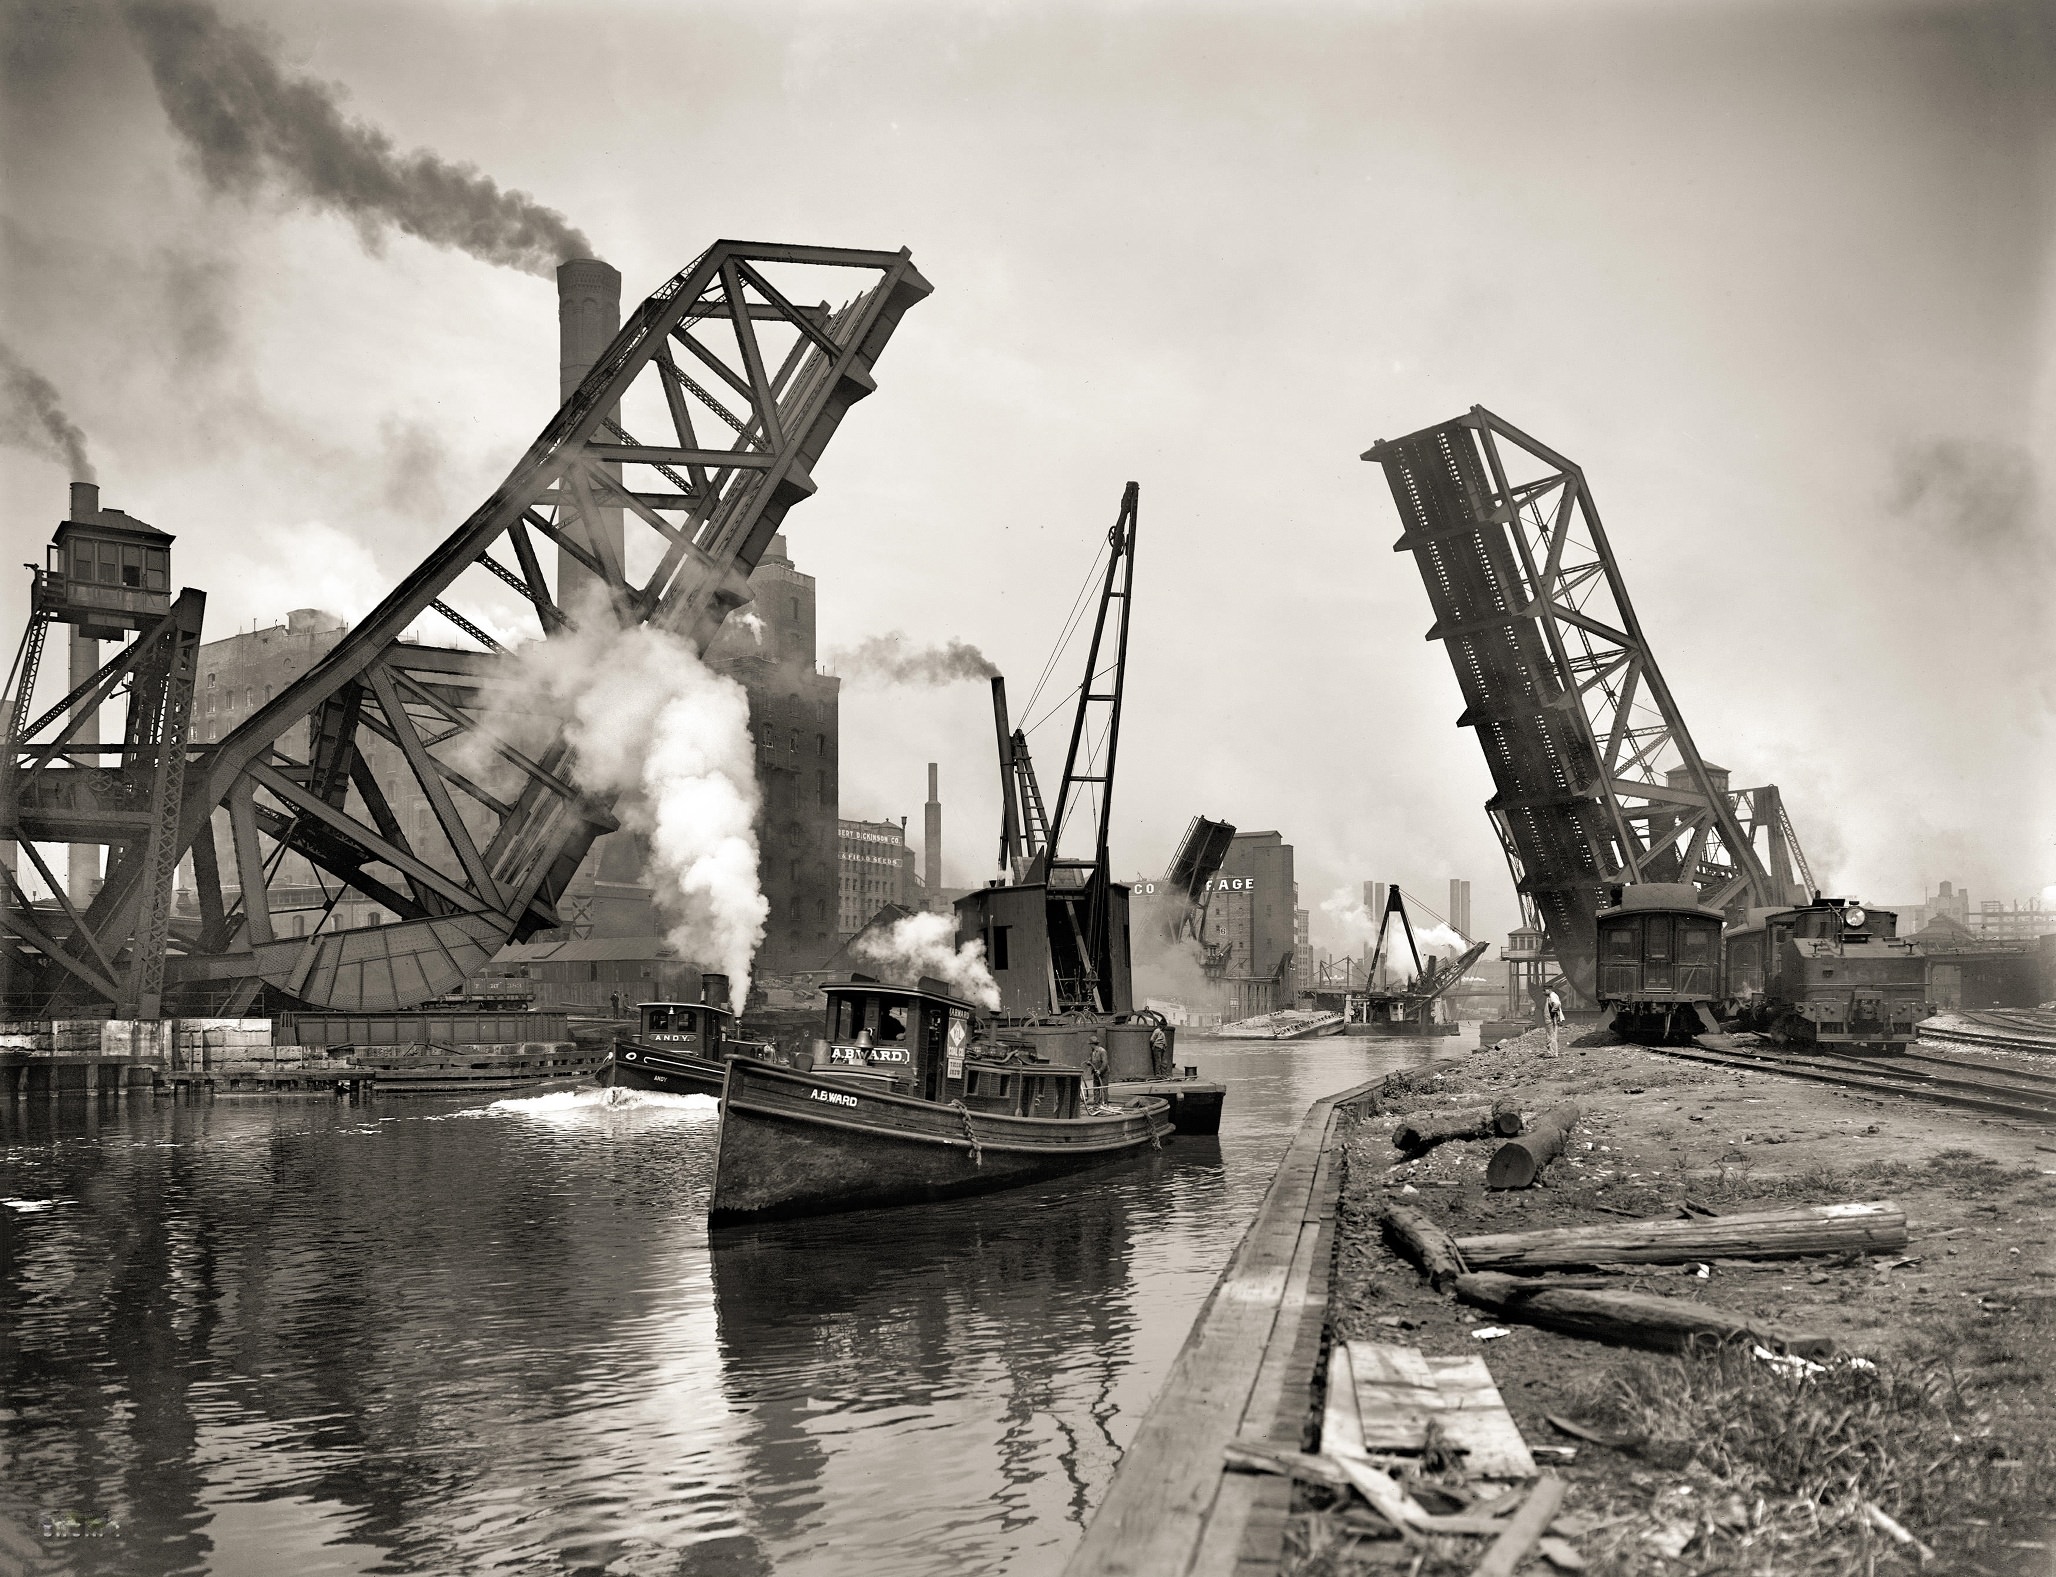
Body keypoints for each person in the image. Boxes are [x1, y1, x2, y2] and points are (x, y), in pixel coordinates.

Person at [1544, 986, 1565, 1052]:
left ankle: (1553, 1052)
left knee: (1552, 1036)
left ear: (1549, 989)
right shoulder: (1550, 996)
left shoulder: (1552, 996)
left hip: (1551, 1019)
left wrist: (1552, 1013)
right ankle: (1552, 1052)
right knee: (1551, 1035)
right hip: (1550, 1019)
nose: (1543, 992)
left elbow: (1557, 1004)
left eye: (1544, 990)